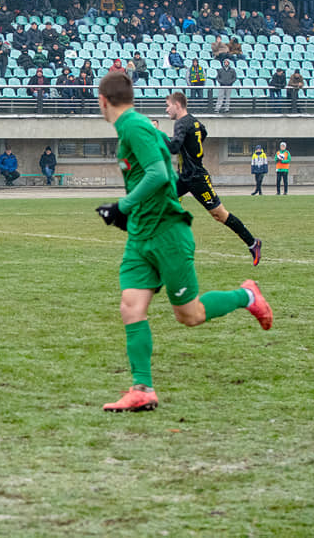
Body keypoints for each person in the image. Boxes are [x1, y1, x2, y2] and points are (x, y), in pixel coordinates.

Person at [94, 72, 272, 413]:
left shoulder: (133, 127)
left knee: (190, 315)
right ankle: (142, 389)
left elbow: (159, 175)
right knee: (131, 307)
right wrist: (131, 215)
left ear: (103, 100)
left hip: (167, 234)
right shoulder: (139, 127)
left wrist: (123, 207)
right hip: (141, 236)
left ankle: (248, 295)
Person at [164, 92, 261, 265]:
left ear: (177, 105)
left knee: (219, 214)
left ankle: (253, 243)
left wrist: (158, 135)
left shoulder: (181, 124)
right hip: (184, 176)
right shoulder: (194, 121)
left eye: (168, 105)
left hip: (197, 178)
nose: (166, 110)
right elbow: (204, 132)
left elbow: (173, 147)